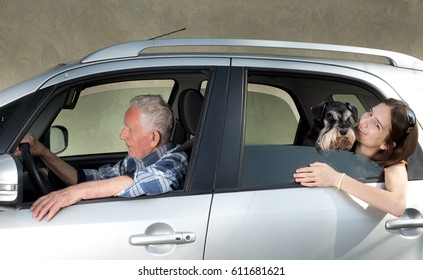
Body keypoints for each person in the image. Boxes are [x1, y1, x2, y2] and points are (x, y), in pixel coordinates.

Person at [15, 94, 189, 222]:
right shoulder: (135, 161)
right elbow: (90, 179)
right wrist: (43, 152)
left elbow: (145, 180)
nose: (122, 135)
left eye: (130, 129)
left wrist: (74, 192)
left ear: (153, 138)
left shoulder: (175, 161)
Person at [293, 98, 418, 217]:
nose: (363, 122)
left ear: (386, 144)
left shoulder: (394, 164)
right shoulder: (340, 138)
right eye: (370, 113)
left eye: (376, 125)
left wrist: (336, 179)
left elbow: (397, 205)